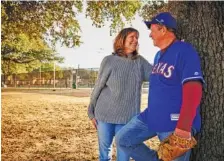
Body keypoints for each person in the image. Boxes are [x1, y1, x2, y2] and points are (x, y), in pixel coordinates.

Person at [115, 12, 204, 161]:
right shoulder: (158, 56)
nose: (150, 35)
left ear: (163, 29)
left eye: (152, 29)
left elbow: (194, 89)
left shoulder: (184, 51)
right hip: (151, 117)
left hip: (175, 124)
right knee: (123, 140)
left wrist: (183, 127)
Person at [88, 27, 152, 161]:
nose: (135, 40)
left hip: (128, 118)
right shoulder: (109, 60)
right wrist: (91, 111)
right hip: (104, 114)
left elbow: (156, 76)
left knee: (124, 156)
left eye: (137, 38)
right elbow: (99, 86)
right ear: (122, 40)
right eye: (132, 37)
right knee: (104, 155)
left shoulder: (140, 62)